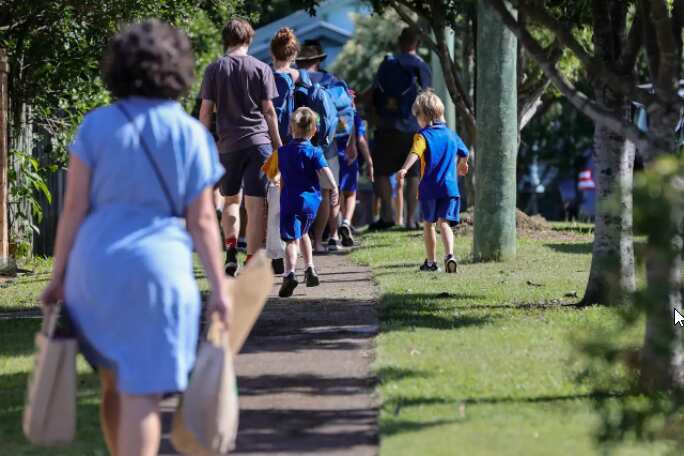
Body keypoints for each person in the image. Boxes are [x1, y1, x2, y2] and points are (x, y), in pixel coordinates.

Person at [39, 21, 231, 456]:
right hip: (159, 273)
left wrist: (57, 278)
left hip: (95, 273)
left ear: (118, 69)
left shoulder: (95, 127)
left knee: (114, 382)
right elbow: (203, 221)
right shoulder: (191, 134)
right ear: (177, 69)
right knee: (141, 394)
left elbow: (73, 210)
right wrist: (221, 290)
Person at [199, 18, 283, 276]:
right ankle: (250, 260)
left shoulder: (214, 69)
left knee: (230, 200)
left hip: (228, 146)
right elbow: (269, 111)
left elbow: (205, 112)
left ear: (225, 39)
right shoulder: (261, 68)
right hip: (258, 143)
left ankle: (231, 250)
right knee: (256, 205)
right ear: (249, 39)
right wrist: (279, 145)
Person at [263, 107, 339, 297]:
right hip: (311, 203)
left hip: (290, 201)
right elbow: (326, 173)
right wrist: (334, 188)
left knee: (290, 240)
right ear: (313, 131)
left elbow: (270, 174)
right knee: (303, 233)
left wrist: (276, 179)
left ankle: (289, 274)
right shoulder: (315, 152)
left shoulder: (282, 152)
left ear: (291, 128)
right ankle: (310, 268)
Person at [397, 90, 469, 273]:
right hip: (450, 188)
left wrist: (404, 168)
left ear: (424, 115)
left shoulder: (422, 136)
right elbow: (465, 151)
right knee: (444, 223)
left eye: (417, 116)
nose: (417, 120)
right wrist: (463, 164)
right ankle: (450, 255)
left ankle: (431, 262)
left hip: (429, 187)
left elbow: (415, 153)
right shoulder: (451, 134)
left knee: (429, 224)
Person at [371, 27, 432, 230]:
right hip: (412, 128)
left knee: (382, 172)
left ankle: (387, 215)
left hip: (386, 125)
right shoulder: (421, 67)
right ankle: (410, 220)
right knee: (413, 174)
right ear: (418, 44)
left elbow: (374, 93)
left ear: (399, 41)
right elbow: (428, 99)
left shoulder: (387, 64)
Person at [296, 39, 345, 253]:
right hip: (327, 145)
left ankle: (299, 242)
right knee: (328, 193)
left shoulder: (295, 80)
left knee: (299, 192)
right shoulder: (331, 80)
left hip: (300, 145)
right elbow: (346, 113)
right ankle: (326, 239)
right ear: (318, 60)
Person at [337, 101, 374, 247]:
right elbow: (360, 140)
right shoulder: (353, 115)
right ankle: (346, 221)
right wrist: (369, 161)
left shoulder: (330, 111)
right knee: (351, 194)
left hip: (334, 157)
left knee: (337, 193)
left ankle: (340, 224)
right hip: (350, 159)